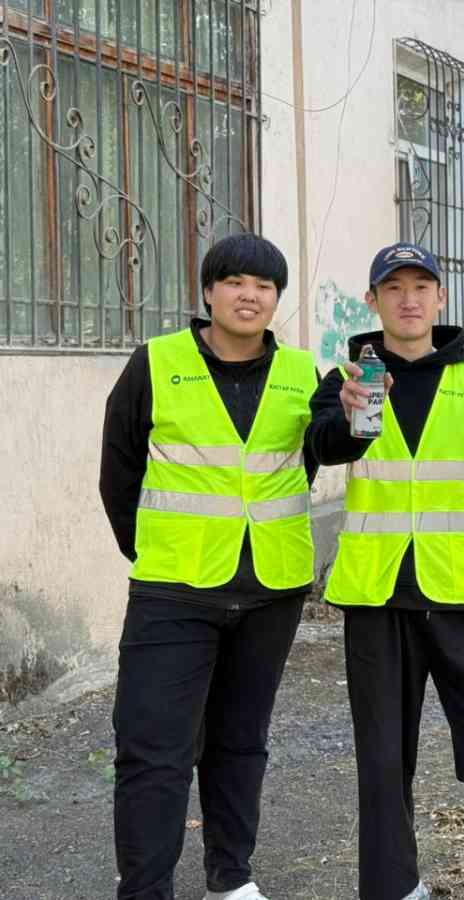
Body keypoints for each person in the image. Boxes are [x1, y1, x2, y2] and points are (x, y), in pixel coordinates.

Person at [305, 242, 464, 900]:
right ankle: (393, 888)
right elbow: (319, 447)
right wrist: (351, 420)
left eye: (421, 286)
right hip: (378, 596)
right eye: (394, 287)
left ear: (439, 300)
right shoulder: (347, 377)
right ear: (373, 301)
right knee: (382, 760)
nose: (409, 298)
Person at [100, 233, 319, 900]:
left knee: (240, 742)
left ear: (276, 299)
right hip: (174, 591)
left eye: (264, 285)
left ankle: (231, 876)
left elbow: (304, 463)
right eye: (234, 282)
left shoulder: (303, 373)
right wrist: (154, 550)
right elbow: (120, 469)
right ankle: (146, 887)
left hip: (270, 590)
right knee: (153, 748)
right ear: (209, 292)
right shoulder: (157, 363)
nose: (248, 295)